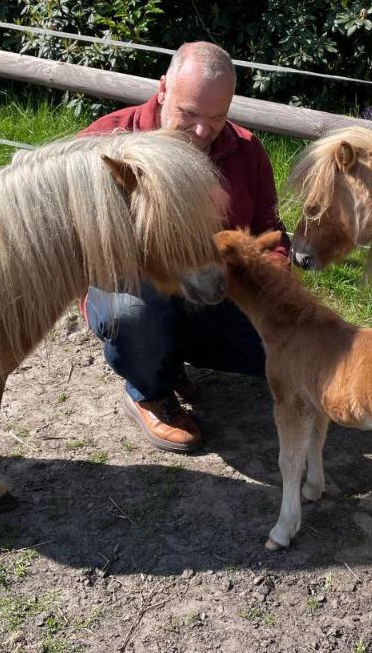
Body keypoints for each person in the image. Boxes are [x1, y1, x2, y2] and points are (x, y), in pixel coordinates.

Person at [79, 42, 289, 452]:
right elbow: (79, 244)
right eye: (189, 113)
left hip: (216, 289)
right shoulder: (104, 143)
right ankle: (150, 391)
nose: (201, 130)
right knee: (133, 314)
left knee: (282, 347)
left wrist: (274, 283)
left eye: (217, 116)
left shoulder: (245, 150)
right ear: (163, 89)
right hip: (132, 286)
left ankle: (171, 355)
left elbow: (269, 228)